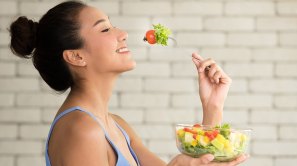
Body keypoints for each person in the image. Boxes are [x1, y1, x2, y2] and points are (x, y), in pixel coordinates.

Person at [9, 1, 248, 166]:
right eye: (105, 29)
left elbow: (199, 163)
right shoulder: (82, 130)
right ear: (76, 56)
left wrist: (212, 106)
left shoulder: (116, 126)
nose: (122, 33)